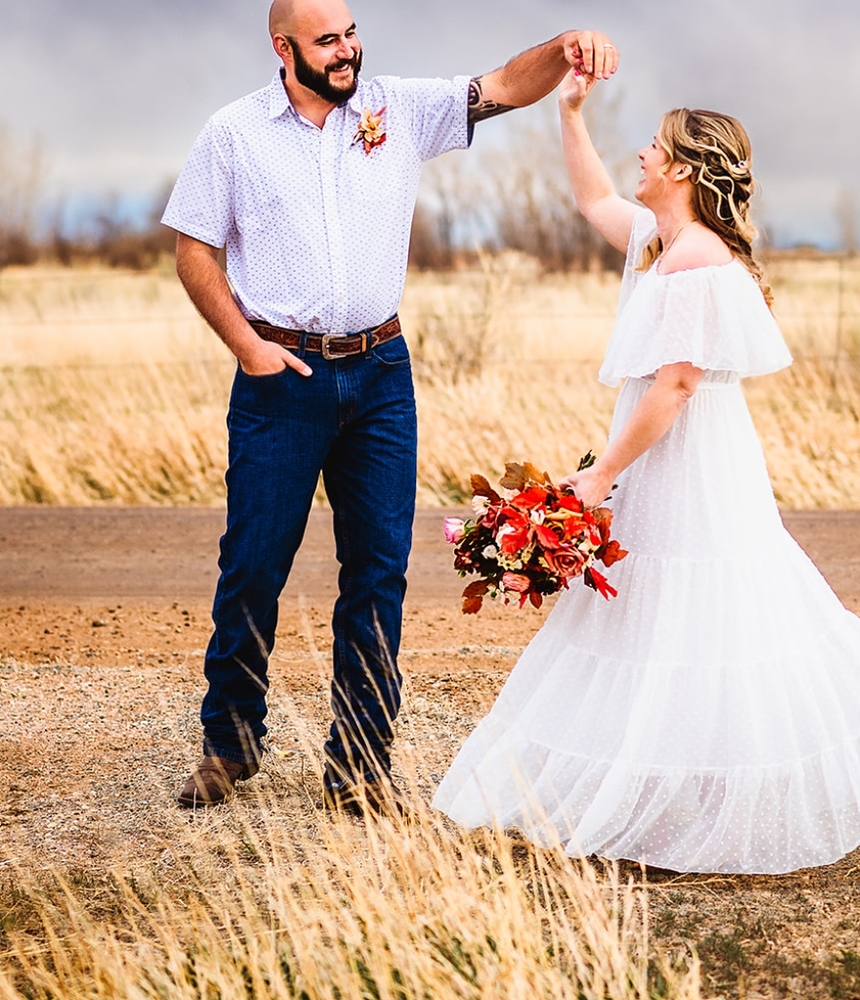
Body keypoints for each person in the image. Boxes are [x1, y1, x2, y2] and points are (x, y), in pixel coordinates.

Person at [431, 70, 860, 873]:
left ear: (685, 171)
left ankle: (699, 799)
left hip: (687, 458)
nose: (642, 153)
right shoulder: (661, 242)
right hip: (669, 452)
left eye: (655, 146)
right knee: (656, 610)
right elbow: (594, 201)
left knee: (701, 608)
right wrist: (570, 112)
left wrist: (597, 480)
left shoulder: (695, 260)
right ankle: (664, 781)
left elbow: (678, 387)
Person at [162, 0, 620, 812]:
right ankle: (229, 744)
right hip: (280, 378)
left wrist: (565, 46)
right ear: (284, 48)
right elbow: (193, 247)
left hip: (381, 375)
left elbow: (506, 88)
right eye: (327, 40)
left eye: (350, 33)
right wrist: (246, 346)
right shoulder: (232, 134)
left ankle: (361, 767)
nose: (347, 51)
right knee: (253, 566)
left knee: (377, 571)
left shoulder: (396, 110)